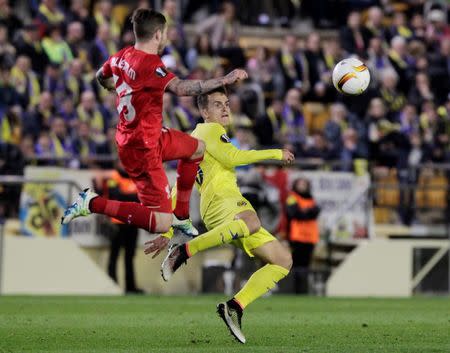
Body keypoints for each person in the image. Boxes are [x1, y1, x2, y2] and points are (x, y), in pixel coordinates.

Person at [61, 9, 247, 239]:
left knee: (197, 148)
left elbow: (101, 75)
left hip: (150, 135)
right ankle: (91, 203)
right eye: (166, 32)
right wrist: (225, 79)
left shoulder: (122, 55)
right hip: (141, 148)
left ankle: (181, 216)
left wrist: (113, 86)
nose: (167, 37)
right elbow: (181, 88)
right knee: (160, 223)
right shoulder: (150, 64)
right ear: (158, 35)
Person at [145, 88, 294, 344]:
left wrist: (168, 231)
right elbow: (234, 157)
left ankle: (235, 306)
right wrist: (276, 153)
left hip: (217, 211)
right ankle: (186, 250)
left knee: (282, 260)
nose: (225, 109)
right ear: (204, 112)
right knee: (252, 221)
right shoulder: (210, 130)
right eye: (217, 105)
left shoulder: (194, 140)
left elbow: (181, 187)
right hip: (224, 202)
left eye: (226, 103)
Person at [286, 177, 320, 294]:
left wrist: (304, 212)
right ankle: (295, 290)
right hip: (297, 237)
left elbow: (315, 212)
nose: (302, 186)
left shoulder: (311, 199)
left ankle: (303, 291)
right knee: (296, 265)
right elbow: (294, 213)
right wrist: (307, 212)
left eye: (304, 184)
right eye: (300, 184)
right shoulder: (292, 197)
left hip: (310, 238)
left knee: (306, 265)